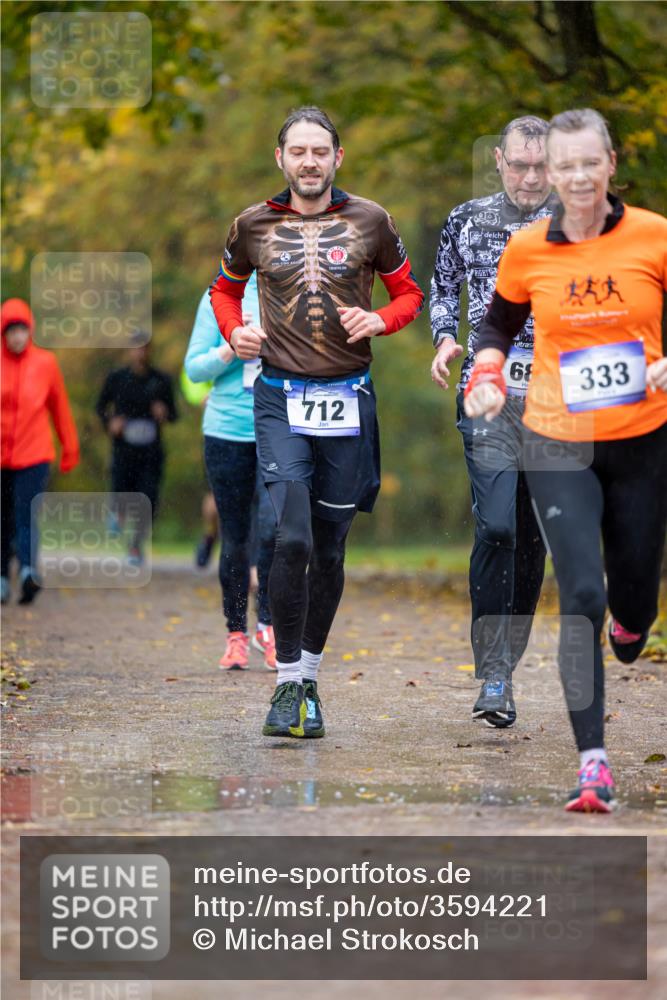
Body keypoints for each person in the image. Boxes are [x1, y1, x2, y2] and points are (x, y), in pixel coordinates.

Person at [463, 108, 667, 812]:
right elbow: (497, 322)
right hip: (554, 439)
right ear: (547, 174)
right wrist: (486, 373)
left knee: (633, 594)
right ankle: (592, 764)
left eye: (589, 162)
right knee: (580, 592)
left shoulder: (653, 236)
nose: (577, 177)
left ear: (609, 162)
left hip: (641, 440)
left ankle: (633, 621)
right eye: (563, 166)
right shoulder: (527, 248)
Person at [210, 106, 424, 738]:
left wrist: (381, 321)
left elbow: (408, 292)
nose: (309, 161)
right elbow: (223, 290)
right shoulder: (252, 225)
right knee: (291, 537)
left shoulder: (372, 220)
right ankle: (284, 689)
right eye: (297, 151)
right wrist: (236, 330)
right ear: (281, 158)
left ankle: (309, 674)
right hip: (279, 398)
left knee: (330, 547)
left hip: (348, 397)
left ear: (337, 159)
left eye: (319, 151)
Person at [430, 116, 558, 727]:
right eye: (520, 165)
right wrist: (442, 338)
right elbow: (440, 286)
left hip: (558, 399)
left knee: (533, 537)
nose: (531, 177)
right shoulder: (468, 219)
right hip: (488, 389)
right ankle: (493, 673)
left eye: (542, 166)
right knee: (498, 526)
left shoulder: (580, 226)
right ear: (501, 163)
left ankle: (504, 672)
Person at [184, 273, 277, 670]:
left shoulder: (292, 287)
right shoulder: (219, 298)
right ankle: (236, 634)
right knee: (235, 537)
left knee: (275, 530)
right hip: (227, 432)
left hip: (280, 430)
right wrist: (228, 350)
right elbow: (194, 369)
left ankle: (270, 627)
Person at [1, 298, 79, 604]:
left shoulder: (45, 363)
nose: (17, 336)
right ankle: (3, 577)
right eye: (11, 331)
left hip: (33, 454)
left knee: (26, 514)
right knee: (2, 518)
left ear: (30, 330)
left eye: (22, 330)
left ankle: (29, 571)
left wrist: (70, 447)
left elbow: (59, 408)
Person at [95, 338, 177, 565]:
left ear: (150, 350)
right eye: (136, 347)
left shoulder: (160, 380)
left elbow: (174, 414)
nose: (140, 352)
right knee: (121, 490)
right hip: (124, 450)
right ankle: (117, 515)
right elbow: (100, 407)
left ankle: (135, 546)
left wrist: (164, 412)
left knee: (148, 499)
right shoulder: (117, 379)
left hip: (151, 452)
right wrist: (110, 422)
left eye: (144, 347)